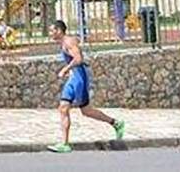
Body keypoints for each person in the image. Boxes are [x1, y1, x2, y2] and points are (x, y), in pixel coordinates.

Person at [46, 20, 125, 153]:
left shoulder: (69, 42)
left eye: (52, 30)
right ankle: (64, 144)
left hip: (79, 79)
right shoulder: (64, 43)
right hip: (73, 79)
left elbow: (78, 59)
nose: (50, 33)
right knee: (63, 108)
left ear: (59, 31)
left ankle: (116, 123)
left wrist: (65, 69)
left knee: (86, 111)